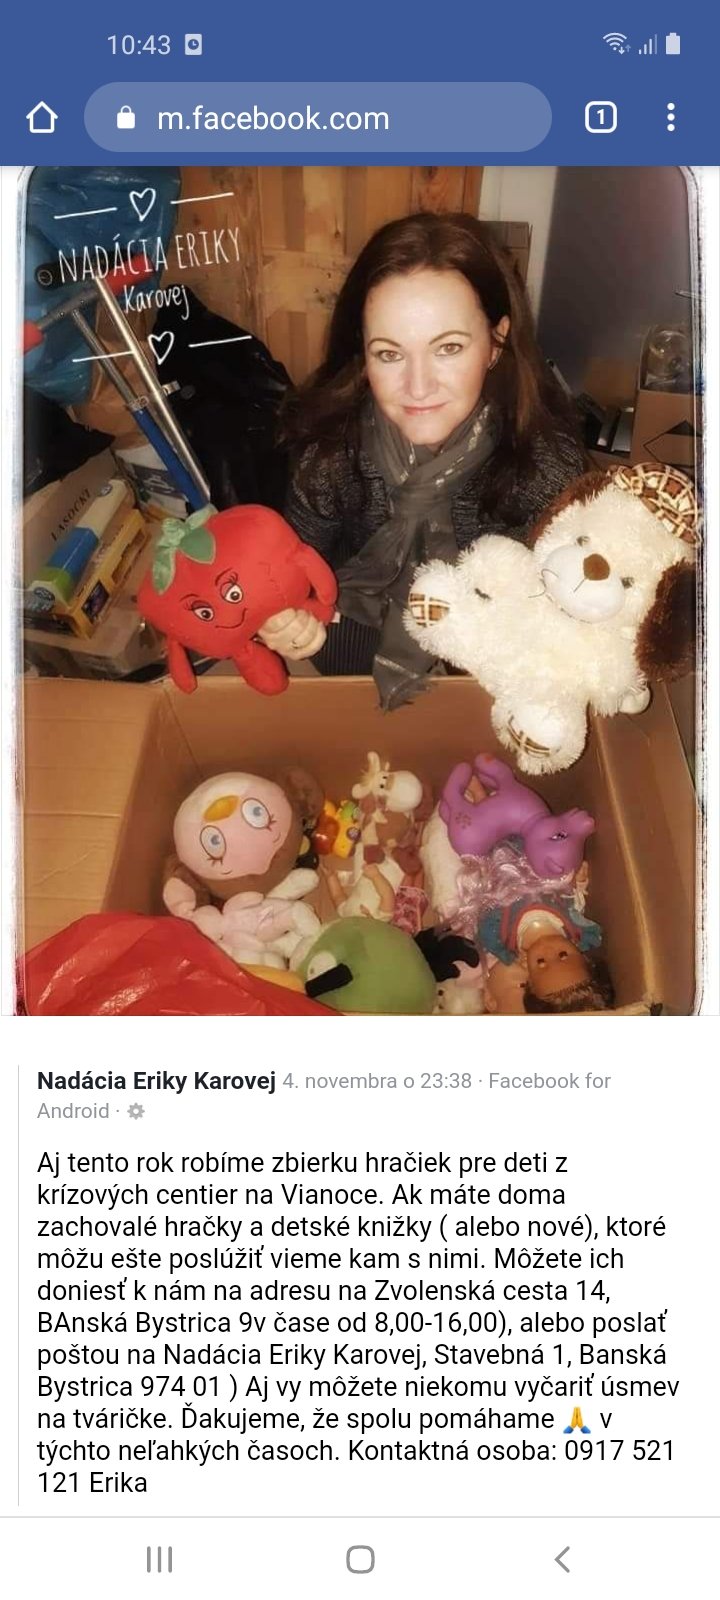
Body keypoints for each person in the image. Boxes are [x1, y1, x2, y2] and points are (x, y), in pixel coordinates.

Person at [259, 211, 590, 706]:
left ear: (496, 342)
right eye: (389, 353)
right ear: (363, 354)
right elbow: (288, 567)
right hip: (354, 620)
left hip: (492, 643)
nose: (418, 387)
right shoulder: (330, 450)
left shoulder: (547, 465)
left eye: (448, 348)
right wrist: (284, 614)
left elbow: (564, 611)